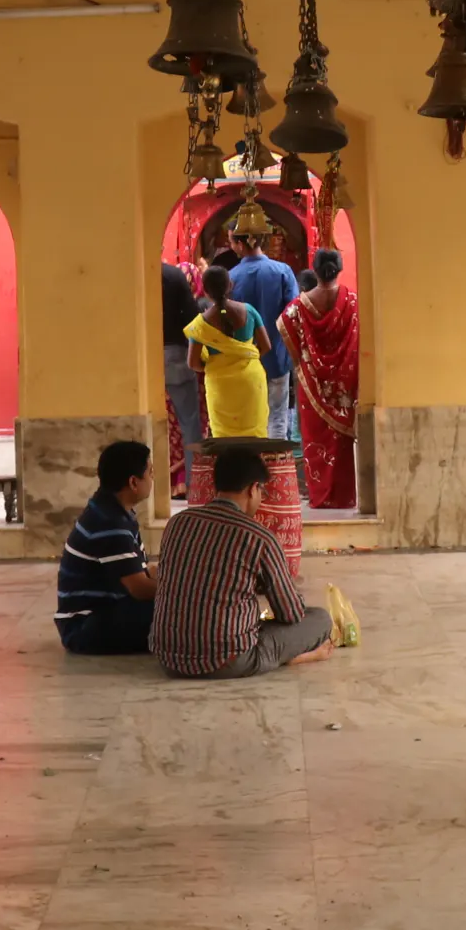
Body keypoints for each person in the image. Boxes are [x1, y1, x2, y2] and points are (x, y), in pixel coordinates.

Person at [152, 446, 335, 678]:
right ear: (253, 489)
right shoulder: (259, 537)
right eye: (262, 492)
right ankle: (291, 657)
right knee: (319, 619)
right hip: (227, 660)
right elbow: (290, 614)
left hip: (169, 657)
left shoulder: (177, 523)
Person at [55, 439, 158, 654]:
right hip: (86, 627)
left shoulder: (113, 510)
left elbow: (140, 571)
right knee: (183, 611)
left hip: (101, 617)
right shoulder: (109, 522)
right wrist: (188, 591)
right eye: (149, 472)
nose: (153, 478)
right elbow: (139, 589)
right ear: (133, 482)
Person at [283, 245, 360, 508]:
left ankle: (320, 497)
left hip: (311, 386)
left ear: (314, 271)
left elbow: (290, 340)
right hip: (345, 387)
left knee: (316, 440)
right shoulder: (352, 302)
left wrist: (307, 366)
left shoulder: (298, 308)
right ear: (340, 269)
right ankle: (343, 496)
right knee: (341, 444)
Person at [223, 236, 303, 445]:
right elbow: (293, 315)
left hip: (245, 361)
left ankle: (254, 472)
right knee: (278, 417)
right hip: (277, 357)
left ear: (241, 244)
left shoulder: (232, 277)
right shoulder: (283, 271)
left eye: (233, 242)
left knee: (250, 419)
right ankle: (278, 471)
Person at [184, 264, 273, 441]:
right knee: (255, 439)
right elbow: (266, 346)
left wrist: (218, 366)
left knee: (224, 441)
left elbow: (193, 363)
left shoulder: (200, 324)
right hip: (251, 382)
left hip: (219, 387)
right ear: (230, 285)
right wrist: (244, 357)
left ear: (206, 292)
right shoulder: (249, 311)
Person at [160, 258, 207, 499]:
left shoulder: (130, 278)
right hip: (175, 354)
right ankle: (193, 484)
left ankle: (154, 486)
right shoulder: (173, 276)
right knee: (189, 423)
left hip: (141, 357)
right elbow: (193, 319)